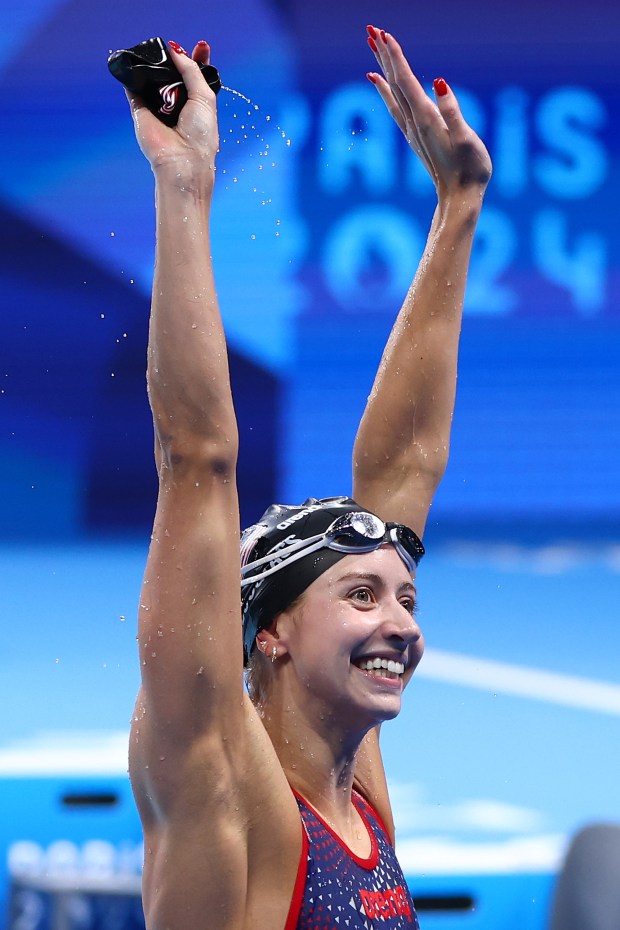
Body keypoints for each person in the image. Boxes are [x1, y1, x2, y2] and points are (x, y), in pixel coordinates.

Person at [124, 24, 491, 930]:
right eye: (364, 596)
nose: (401, 625)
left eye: (406, 599)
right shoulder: (226, 797)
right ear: (273, 631)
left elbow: (403, 470)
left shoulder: (356, 800)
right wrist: (185, 186)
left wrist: (458, 207)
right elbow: (199, 458)